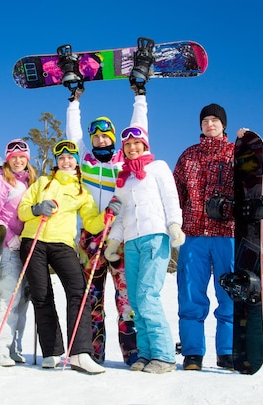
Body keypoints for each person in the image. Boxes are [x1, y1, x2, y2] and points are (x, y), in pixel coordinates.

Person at [18, 139, 114, 375]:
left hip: (62, 244)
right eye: (61, 158)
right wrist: (37, 208)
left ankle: (80, 353)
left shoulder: (82, 191)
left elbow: (91, 224)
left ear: (76, 161)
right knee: (41, 295)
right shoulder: (42, 182)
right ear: (56, 161)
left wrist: (107, 215)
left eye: (70, 157)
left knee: (78, 291)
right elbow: (22, 210)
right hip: (35, 239)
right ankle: (51, 351)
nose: (65, 161)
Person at [65, 88, 147, 365]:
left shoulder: (123, 162)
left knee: (125, 296)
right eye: (96, 136)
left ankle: (132, 352)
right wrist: (74, 103)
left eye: (105, 135)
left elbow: (138, 133)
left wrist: (140, 97)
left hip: (120, 236)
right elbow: (73, 136)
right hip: (90, 235)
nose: (100, 140)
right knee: (91, 295)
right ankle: (93, 351)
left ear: (112, 138)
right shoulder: (85, 163)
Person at [104, 121, 185, 374]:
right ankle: (147, 354)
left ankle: (164, 355)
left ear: (145, 145)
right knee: (136, 303)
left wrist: (174, 225)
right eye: (127, 145)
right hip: (131, 242)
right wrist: (114, 241)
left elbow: (171, 198)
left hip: (154, 237)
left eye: (136, 144)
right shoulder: (123, 177)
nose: (132, 148)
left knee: (148, 296)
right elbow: (120, 214)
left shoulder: (158, 168)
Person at [173, 104, 240, 371]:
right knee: (190, 293)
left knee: (230, 293)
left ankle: (226, 351)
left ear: (224, 124)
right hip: (194, 233)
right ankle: (192, 353)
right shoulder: (189, 155)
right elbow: (175, 192)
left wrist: (247, 142)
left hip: (227, 233)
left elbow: (255, 178)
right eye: (205, 120)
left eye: (215, 120)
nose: (210, 124)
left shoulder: (235, 152)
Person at [0, 139, 37, 366]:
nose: (18, 160)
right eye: (14, 157)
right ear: (7, 158)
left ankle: (13, 346)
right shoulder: (1, 181)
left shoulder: (30, 182)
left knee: (23, 299)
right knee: (10, 297)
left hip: (25, 248)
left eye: (22, 156)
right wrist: (9, 238)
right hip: (8, 248)